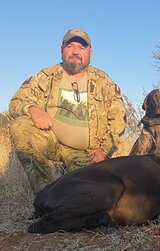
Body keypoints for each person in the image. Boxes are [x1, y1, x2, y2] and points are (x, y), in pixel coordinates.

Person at [9, 29, 126, 194]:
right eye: (70, 46)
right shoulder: (46, 76)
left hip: (87, 153)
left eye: (81, 47)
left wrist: (104, 151)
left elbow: (119, 118)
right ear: (61, 49)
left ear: (90, 53)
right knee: (21, 126)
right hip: (52, 141)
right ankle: (45, 192)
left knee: (87, 193)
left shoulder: (103, 81)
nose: (75, 51)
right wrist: (33, 109)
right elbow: (16, 101)